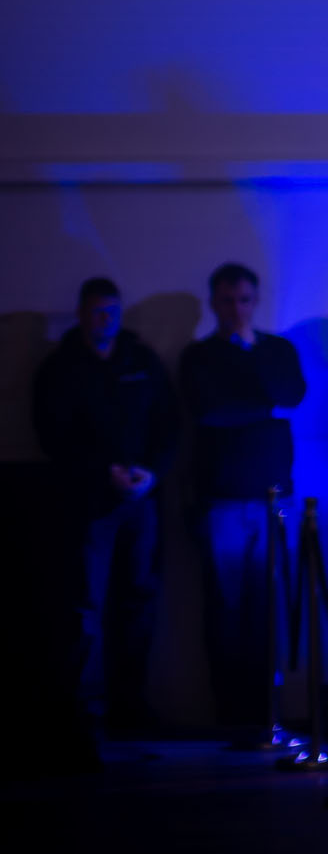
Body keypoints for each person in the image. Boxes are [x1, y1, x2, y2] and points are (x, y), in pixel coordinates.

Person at [32, 277, 180, 735]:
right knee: (84, 607)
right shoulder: (60, 368)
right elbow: (52, 435)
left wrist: (151, 473)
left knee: (139, 601)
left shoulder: (141, 361)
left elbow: (169, 424)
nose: (105, 320)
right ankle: (79, 712)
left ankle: (130, 706)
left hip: (141, 498)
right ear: (81, 314)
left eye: (112, 311)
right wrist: (103, 472)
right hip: (88, 503)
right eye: (97, 311)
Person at [178, 261, 306, 727]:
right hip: (222, 498)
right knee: (225, 608)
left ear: (256, 301)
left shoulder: (277, 350)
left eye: (245, 300)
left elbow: (290, 396)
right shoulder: (198, 356)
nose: (237, 309)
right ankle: (230, 714)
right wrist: (263, 408)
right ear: (213, 303)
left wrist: (251, 356)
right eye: (228, 301)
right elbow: (209, 410)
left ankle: (264, 712)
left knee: (266, 607)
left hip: (273, 495)